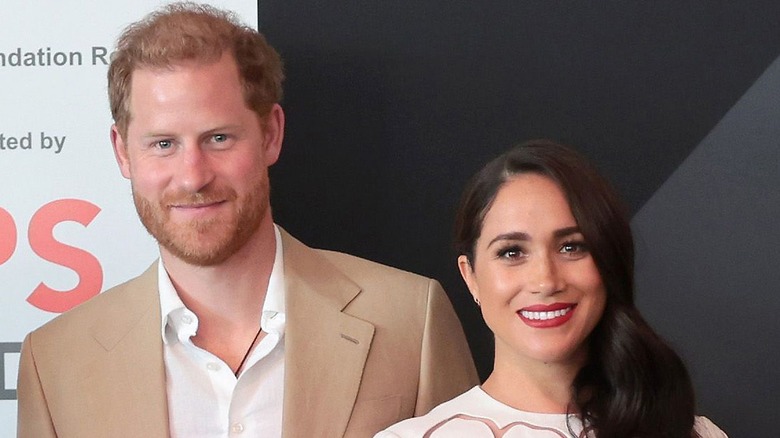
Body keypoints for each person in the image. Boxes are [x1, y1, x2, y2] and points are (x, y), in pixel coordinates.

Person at [16, 3, 477, 437]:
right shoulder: (55, 362)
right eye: (163, 144)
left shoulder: (411, 321)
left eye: (218, 138)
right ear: (122, 152)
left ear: (271, 134)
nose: (193, 176)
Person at [377, 140, 727, 437]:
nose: (546, 281)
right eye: (512, 252)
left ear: (607, 260)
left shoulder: (692, 432)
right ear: (471, 277)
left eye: (571, 246)